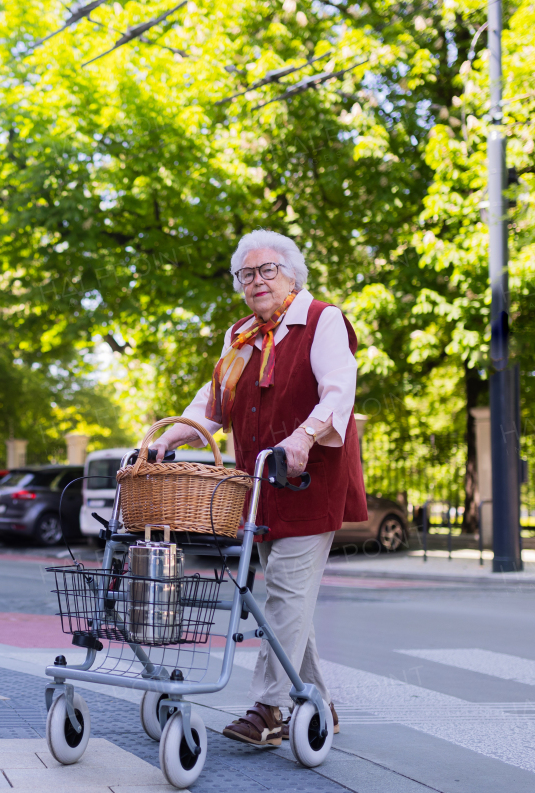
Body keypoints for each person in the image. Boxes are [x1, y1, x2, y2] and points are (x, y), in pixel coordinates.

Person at [149, 228, 367, 747]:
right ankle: (318, 704)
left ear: (292, 273)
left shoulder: (322, 320)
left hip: (308, 480)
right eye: (246, 274)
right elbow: (214, 403)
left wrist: (304, 437)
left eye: (267, 270)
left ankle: (270, 709)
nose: (257, 281)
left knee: (286, 594)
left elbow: (339, 390)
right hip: (259, 486)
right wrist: (169, 437)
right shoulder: (241, 336)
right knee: (290, 600)